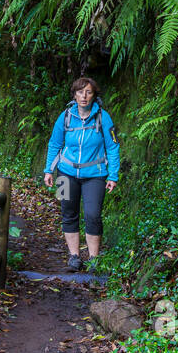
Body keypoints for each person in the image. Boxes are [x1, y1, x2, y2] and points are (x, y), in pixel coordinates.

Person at [43, 76, 119, 271]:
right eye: (80, 92)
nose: (84, 96)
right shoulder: (65, 116)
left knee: (93, 214)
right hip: (64, 173)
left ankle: (94, 260)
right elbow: (54, 143)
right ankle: (74, 257)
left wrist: (113, 175)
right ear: (74, 94)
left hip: (95, 174)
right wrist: (48, 170)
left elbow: (112, 147)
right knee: (68, 213)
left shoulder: (103, 117)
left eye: (88, 92)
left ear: (94, 96)